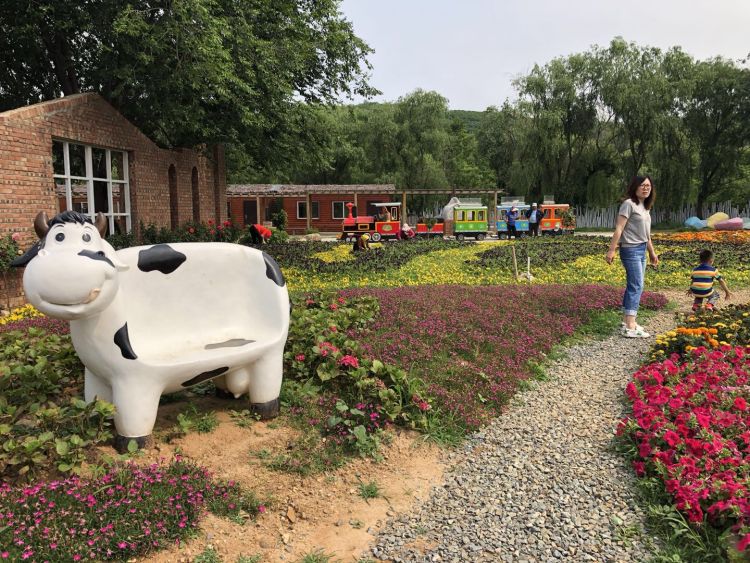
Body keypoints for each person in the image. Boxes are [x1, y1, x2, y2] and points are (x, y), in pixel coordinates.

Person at [605, 175, 659, 338]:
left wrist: (651, 251)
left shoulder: (645, 206)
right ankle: (630, 326)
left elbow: (646, 234)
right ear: (635, 187)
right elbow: (619, 229)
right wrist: (611, 250)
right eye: (642, 185)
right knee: (636, 286)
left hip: (641, 249)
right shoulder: (628, 204)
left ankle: (628, 321)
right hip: (630, 249)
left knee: (636, 286)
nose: (646, 188)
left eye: (648, 186)